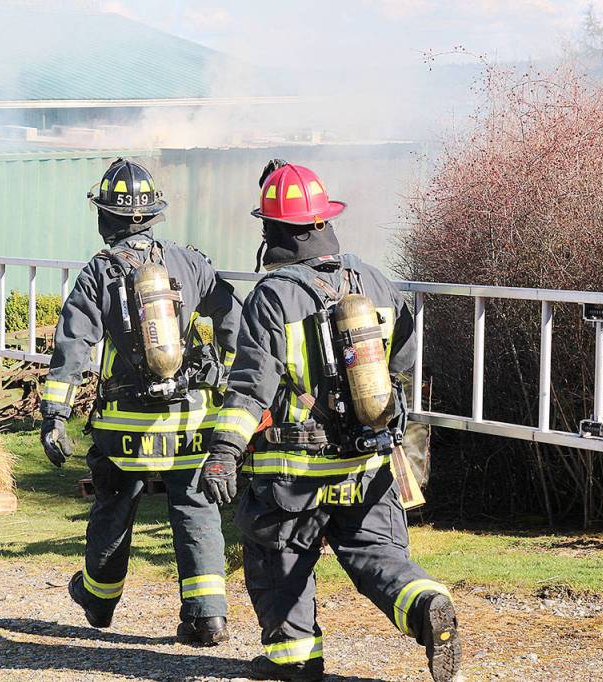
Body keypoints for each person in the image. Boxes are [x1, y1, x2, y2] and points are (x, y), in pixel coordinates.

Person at [198, 160, 461, 681]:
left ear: (272, 230)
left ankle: (295, 663)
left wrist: (225, 453)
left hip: (294, 471)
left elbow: (251, 386)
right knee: (377, 555)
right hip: (367, 461)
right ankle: (427, 604)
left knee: (279, 558)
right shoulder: (373, 280)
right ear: (325, 222)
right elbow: (406, 360)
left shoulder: (272, 297)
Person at [40, 158, 242, 646]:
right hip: (190, 420)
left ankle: (99, 600)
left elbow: (73, 346)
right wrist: (231, 375)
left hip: (123, 427)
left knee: (114, 504)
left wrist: (55, 416)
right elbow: (231, 312)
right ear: (153, 214)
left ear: (105, 216)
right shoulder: (189, 263)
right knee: (196, 509)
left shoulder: (99, 273)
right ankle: (207, 616)